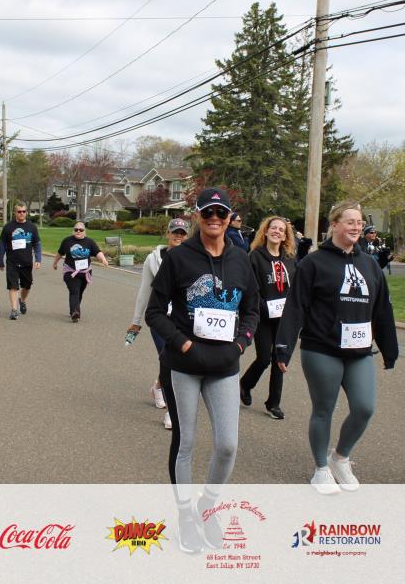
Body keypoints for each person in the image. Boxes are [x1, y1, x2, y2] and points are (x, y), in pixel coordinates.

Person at [145, 187, 259, 553]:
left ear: (229, 218)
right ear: (198, 215)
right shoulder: (179, 258)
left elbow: (252, 310)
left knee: (227, 446)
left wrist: (241, 343)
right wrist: (182, 343)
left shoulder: (241, 259)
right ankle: (184, 515)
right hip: (184, 365)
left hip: (225, 365)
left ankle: (207, 508)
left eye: (220, 213)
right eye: (207, 212)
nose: (214, 218)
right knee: (187, 442)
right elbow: (154, 312)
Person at [275, 202, 399, 494]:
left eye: (359, 222)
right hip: (322, 349)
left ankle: (340, 457)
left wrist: (389, 348)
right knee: (324, 410)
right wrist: (283, 347)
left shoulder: (370, 264)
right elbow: (296, 307)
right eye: (350, 222)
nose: (356, 227)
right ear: (334, 225)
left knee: (364, 408)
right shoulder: (313, 263)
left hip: (359, 351)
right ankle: (320, 468)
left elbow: (382, 309)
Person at [127, 217, 190, 430]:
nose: (178, 236)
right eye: (175, 232)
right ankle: (172, 412)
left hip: (184, 319)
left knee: (176, 362)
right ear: (168, 233)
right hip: (160, 319)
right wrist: (136, 321)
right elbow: (145, 290)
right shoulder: (153, 259)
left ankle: (158, 386)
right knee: (168, 361)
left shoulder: (193, 257)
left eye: (182, 233)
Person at [240, 215, 297, 420]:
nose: (277, 232)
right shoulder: (255, 257)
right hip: (263, 316)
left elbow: (294, 288)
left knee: (279, 359)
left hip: (283, 318)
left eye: (281, 230)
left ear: (285, 236)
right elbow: (251, 288)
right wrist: (263, 307)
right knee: (264, 358)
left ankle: (274, 403)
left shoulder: (289, 259)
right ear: (265, 231)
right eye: (273, 228)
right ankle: (245, 384)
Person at [52, 221, 108, 322]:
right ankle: (75, 312)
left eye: (81, 230)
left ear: (84, 231)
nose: (78, 231)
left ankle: (73, 310)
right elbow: (60, 253)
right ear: (73, 230)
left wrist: (103, 260)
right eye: (76, 229)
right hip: (70, 272)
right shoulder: (67, 241)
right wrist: (55, 263)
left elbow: (97, 252)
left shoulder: (89, 242)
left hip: (85, 272)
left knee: (79, 292)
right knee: (74, 291)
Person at [0, 204, 42, 320]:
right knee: (13, 286)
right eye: (19, 211)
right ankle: (14, 310)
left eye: (23, 211)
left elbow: (37, 244)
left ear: (26, 212)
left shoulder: (32, 227)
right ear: (15, 213)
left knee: (27, 286)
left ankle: (22, 300)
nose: (21, 213)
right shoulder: (8, 227)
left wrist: (38, 259)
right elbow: (2, 244)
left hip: (26, 262)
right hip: (12, 262)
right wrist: (0, 260)